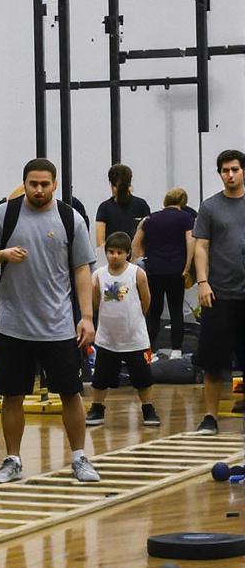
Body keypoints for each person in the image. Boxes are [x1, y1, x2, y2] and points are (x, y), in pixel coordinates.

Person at [0, 157, 99, 484]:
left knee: (71, 393)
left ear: (55, 185)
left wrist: (86, 317)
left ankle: (79, 458)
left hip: (58, 325)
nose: (39, 190)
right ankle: (12, 460)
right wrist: (3, 255)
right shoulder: (6, 213)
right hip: (14, 324)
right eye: (33, 184)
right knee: (12, 395)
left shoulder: (69, 218)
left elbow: (82, 270)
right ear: (25, 183)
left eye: (45, 184)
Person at [191, 151, 245, 436]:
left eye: (235, 169)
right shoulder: (210, 207)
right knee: (213, 362)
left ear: (243, 171)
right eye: (225, 170)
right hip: (219, 293)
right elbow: (201, 246)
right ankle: (210, 417)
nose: (230, 175)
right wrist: (202, 282)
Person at [88, 232, 157, 430]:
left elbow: (146, 300)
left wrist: (136, 318)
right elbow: (95, 301)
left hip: (135, 338)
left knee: (143, 378)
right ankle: (97, 408)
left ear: (127, 253)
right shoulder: (98, 275)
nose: (114, 256)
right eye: (111, 252)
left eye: (119, 252)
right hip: (107, 338)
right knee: (100, 378)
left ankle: (148, 408)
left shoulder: (137, 273)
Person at [139, 186, 196, 352]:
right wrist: (187, 268)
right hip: (176, 269)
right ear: (182, 202)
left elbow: (137, 242)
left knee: (154, 311)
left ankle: (149, 350)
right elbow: (190, 242)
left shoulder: (151, 218)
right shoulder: (186, 218)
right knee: (176, 310)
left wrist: (143, 260)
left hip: (154, 269)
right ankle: (176, 350)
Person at [94, 164, 148, 257]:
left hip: (135, 260)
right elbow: (100, 243)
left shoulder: (141, 205)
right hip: (113, 260)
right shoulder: (104, 208)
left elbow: (147, 237)